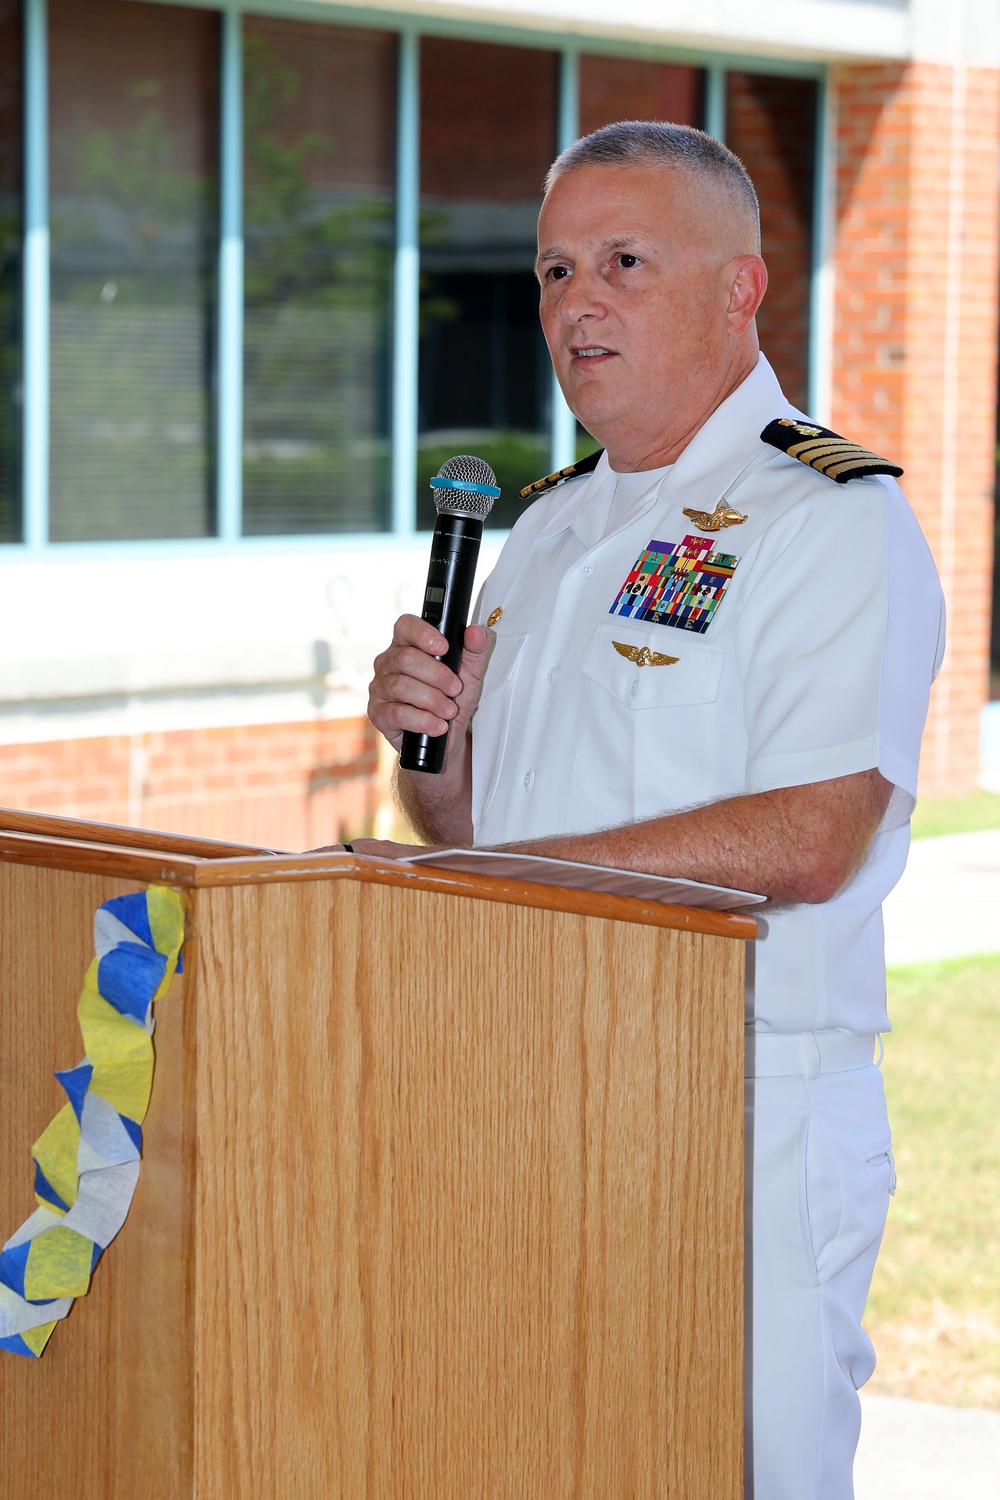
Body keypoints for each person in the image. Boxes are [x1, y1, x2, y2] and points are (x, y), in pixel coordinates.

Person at [363, 121, 945, 1500]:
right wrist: (429, 744)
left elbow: (814, 839)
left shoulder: (824, 519)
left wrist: (503, 876)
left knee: (745, 1471)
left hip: (739, 1108)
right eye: (557, 271)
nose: (578, 304)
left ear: (740, 289)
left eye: (624, 261)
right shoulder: (552, 529)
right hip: (529, 1083)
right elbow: (465, 828)